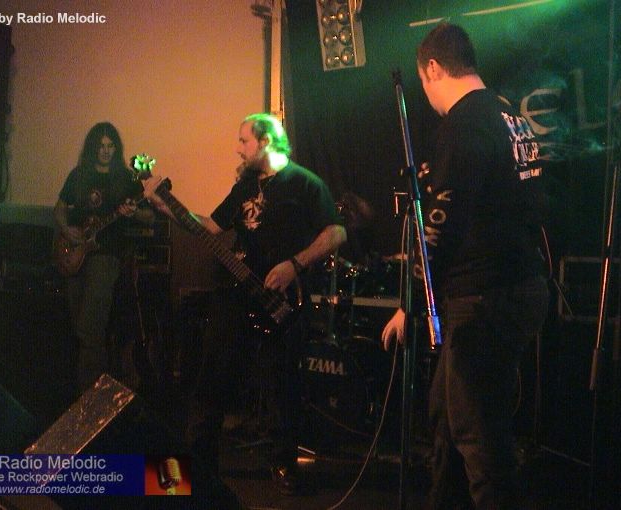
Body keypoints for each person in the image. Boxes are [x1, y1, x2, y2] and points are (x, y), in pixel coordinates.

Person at [381, 24, 549, 509]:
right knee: (447, 417)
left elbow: (441, 224)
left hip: (483, 298)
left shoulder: (464, 123)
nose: (426, 93)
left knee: (479, 439)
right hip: (518, 287)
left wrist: (412, 304)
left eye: (423, 81)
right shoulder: (509, 115)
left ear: (433, 68)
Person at [143, 113, 346, 495]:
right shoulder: (245, 187)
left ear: (266, 141)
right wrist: (164, 203)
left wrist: (294, 264)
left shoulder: (305, 183)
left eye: (244, 141)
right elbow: (210, 227)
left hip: (281, 300)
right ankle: (198, 466)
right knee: (212, 376)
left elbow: (336, 232)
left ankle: (283, 465)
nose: (238, 148)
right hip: (235, 293)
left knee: (281, 385)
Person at [54, 122, 151, 393]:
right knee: (79, 323)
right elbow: (59, 210)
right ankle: (90, 386)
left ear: (116, 148)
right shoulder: (79, 175)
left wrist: (134, 212)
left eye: (110, 146)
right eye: (101, 146)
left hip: (106, 256)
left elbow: (149, 216)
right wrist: (67, 231)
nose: (106, 151)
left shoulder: (126, 178)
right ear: (93, 148)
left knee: (91, 325)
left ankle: (90, 392)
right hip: (75, 254)